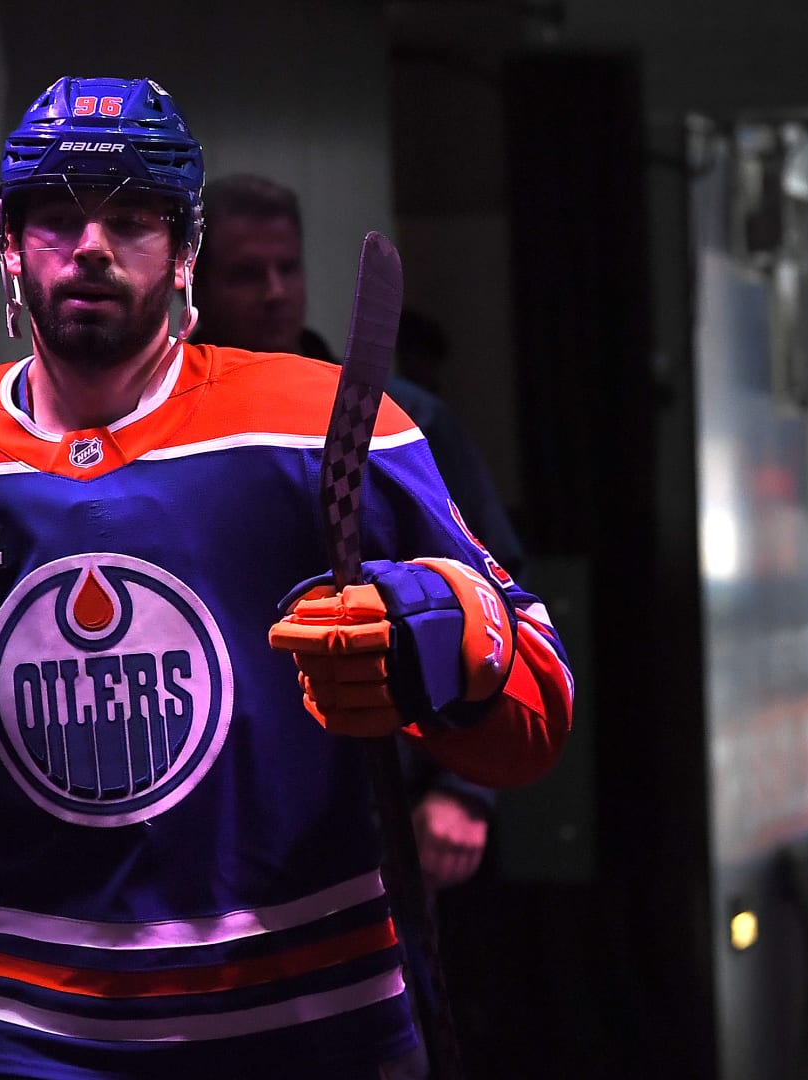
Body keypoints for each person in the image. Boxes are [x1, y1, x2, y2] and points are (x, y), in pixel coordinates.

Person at [0, 75, 574, 1080]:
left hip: (307, 1028)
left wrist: (436, 637)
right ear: (9, 244)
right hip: (12, 1040)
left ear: (183, 251)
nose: (91, 247)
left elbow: (537, 699)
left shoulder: (328, 428)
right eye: (56, 218)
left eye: (131, 218)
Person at [190, 174, 534, 893]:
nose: (275, 292)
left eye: (288, 268)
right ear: (194, 284)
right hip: (213, 808)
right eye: (246, 274)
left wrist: (464, 792)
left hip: (375, 798)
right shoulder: (161, 436)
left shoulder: (391, 423)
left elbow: (494, 602)